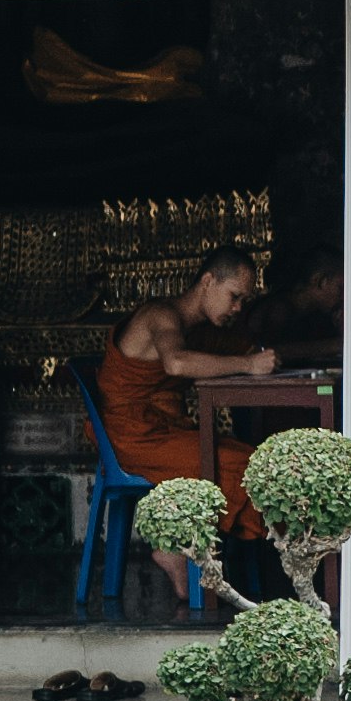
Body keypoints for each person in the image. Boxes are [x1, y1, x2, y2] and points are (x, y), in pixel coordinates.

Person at [96, 244, 273, 612]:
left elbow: (251, 346)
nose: (238, 308)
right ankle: (172, 546)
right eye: (234, 297)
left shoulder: (197, 328)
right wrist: (247, 365)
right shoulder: (161, 315)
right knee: (242, 466)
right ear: (208, 281)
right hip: (134, 437)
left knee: (252, 456)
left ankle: (183, 547)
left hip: (165, 431)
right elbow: (176, 363)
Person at [230, 246, 344, 367]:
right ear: (320, 281)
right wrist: (333, 346)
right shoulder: (279, 309)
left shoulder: (314, 315)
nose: (343, 296)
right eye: (340, 288)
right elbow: (265, 353)